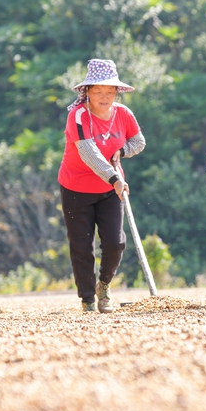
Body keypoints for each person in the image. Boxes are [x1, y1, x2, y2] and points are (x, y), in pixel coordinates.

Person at [58, 59, 146, 313]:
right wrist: (115, 178)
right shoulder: (78, 116)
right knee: (81, 245)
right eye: (98, 92)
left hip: (109, 190)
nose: (104, 97)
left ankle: (104, 285)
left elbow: (138, 142)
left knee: (115, 243)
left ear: (117, 92)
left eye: (110, 91)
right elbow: (89, 152)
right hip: (76, 188)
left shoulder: (123, 114)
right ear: (87, 92)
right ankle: (87, 298)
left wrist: (122, 150)